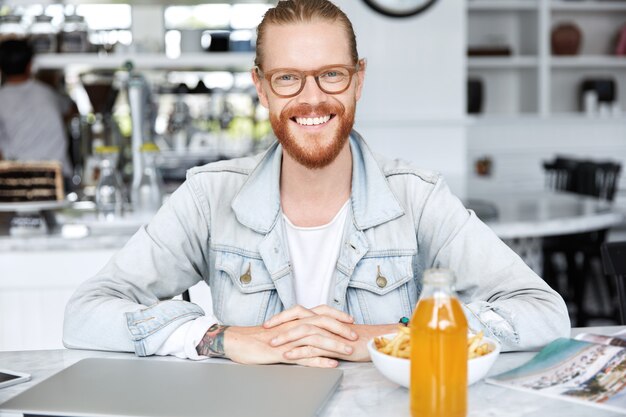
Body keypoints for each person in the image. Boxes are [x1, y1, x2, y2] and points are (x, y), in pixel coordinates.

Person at [64, 0, 569, 367]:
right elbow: (85, 314)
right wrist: (222, 338)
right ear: (261, 86)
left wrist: (388, 337)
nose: (311, 99)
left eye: (331, 75)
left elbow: (545, 314)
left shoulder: (417, 196)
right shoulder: (207, 197)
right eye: (288, 78)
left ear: (358, 80)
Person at [0, 39, 73, 178]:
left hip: (17, 180)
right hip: (57, 177)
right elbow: (71, 110)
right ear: (30, 65)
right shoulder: (48, 93)